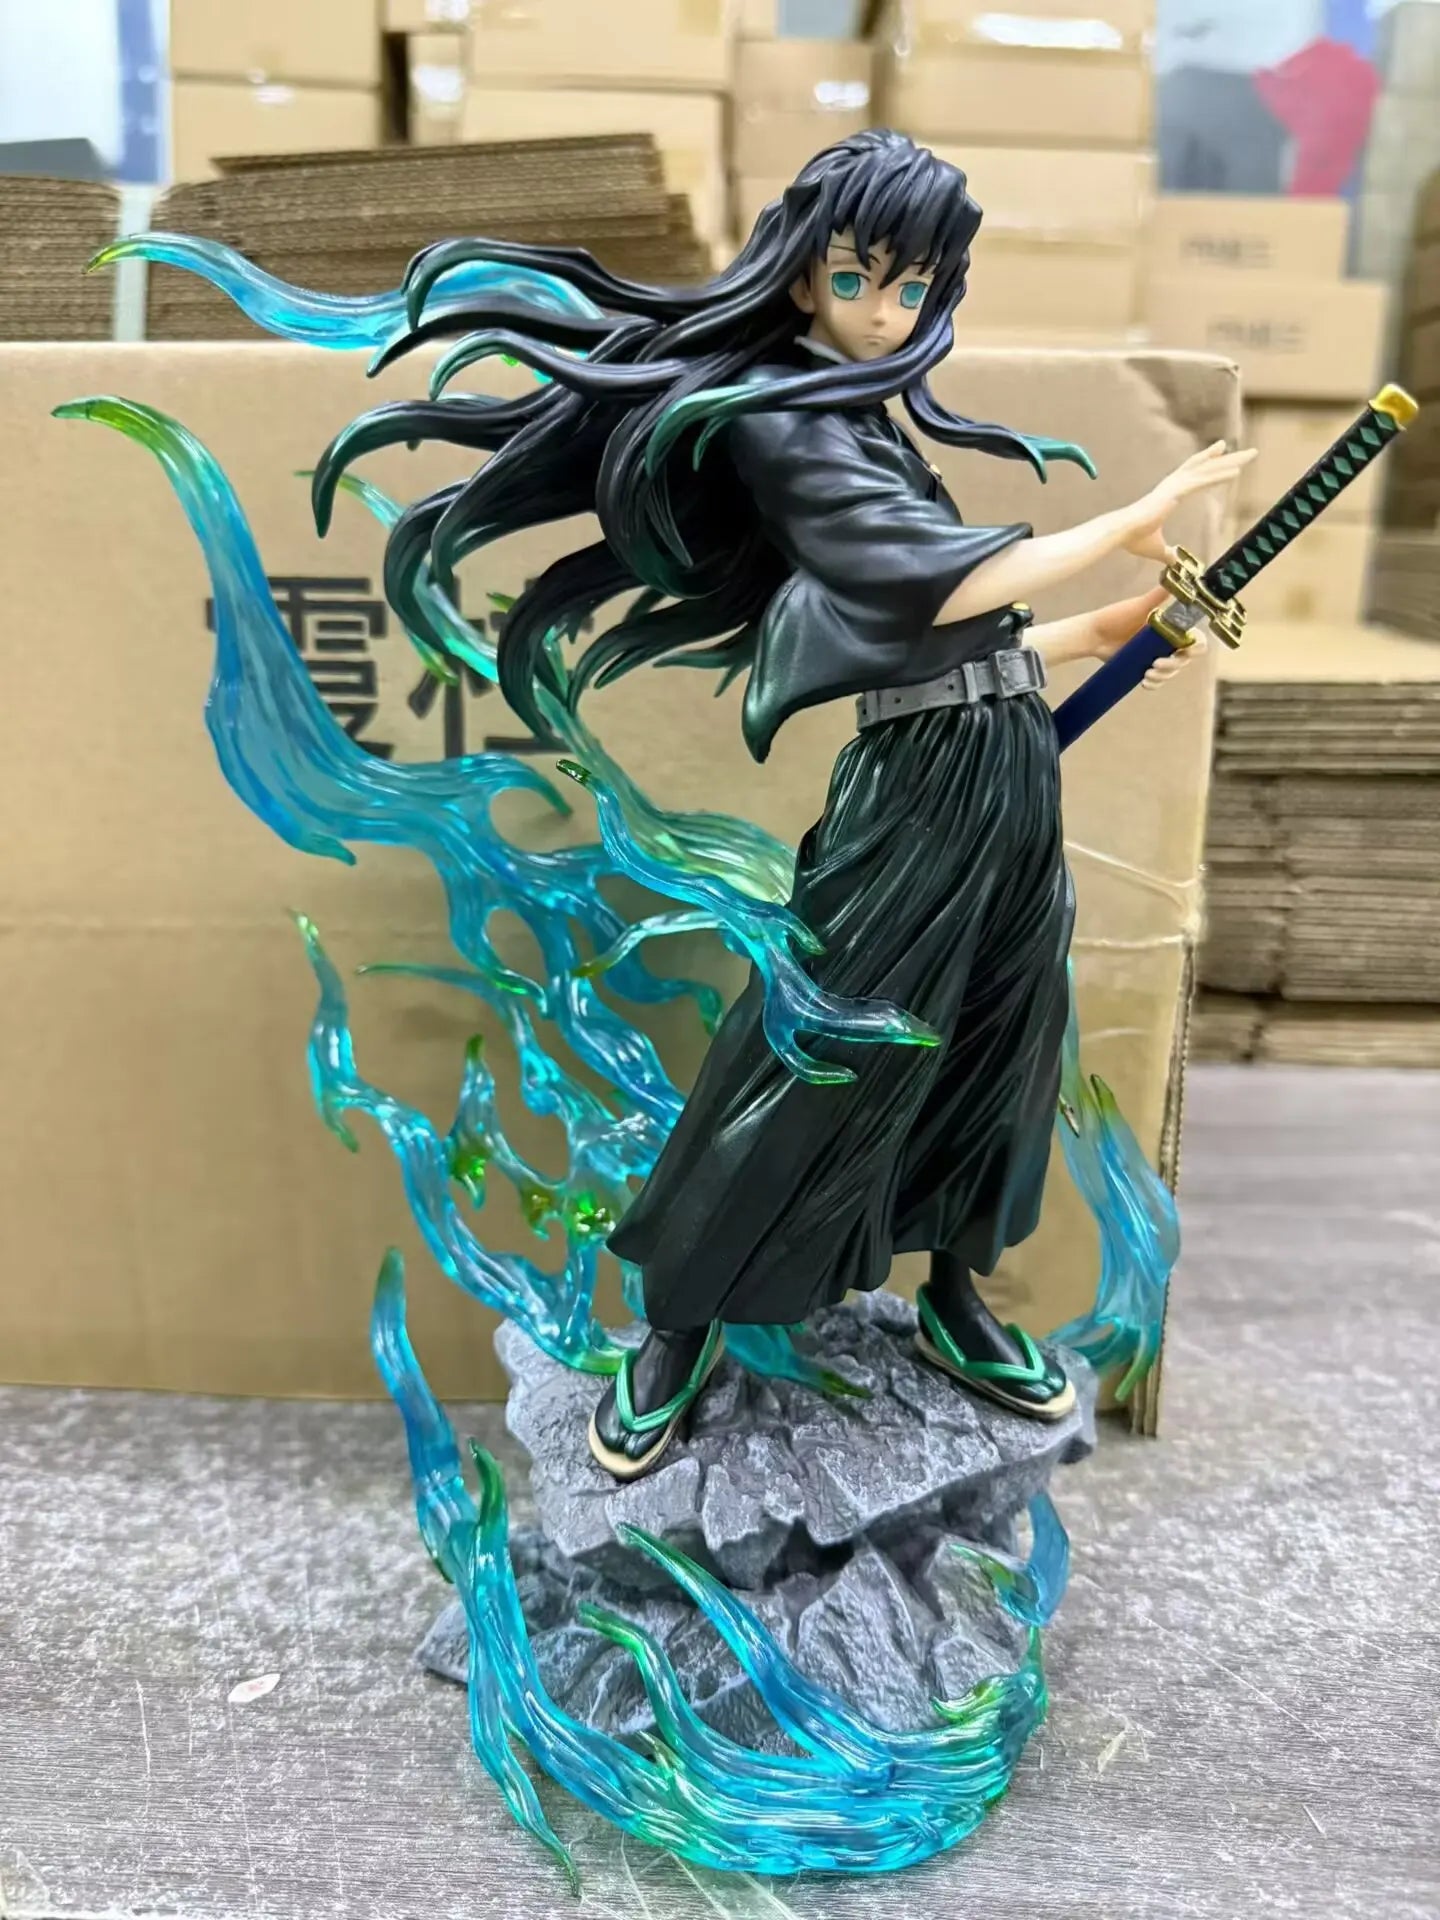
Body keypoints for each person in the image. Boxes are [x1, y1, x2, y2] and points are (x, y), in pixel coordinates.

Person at [320, 131, 1251, 1479]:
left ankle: (956, 1296)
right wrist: (1129, 519)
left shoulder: (861, 412)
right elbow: (910, 579)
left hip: (1002, 764)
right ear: (806, 268)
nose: (887, 311)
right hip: (917, 789)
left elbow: (948, 638)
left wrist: (1100, 630)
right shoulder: (775, 413)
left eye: (916, 288)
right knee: (819, 1039)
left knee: (1001, 1038)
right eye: (862, 276)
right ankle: (679, 1323)